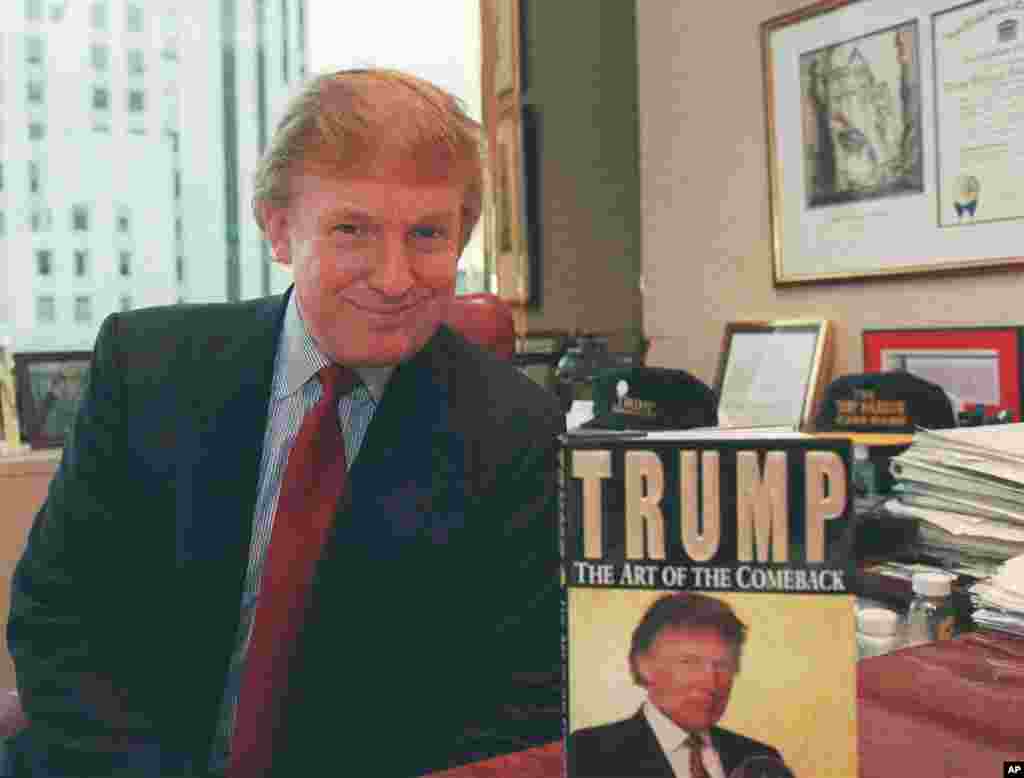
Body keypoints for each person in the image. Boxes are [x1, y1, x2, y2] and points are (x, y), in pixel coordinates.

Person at [6, 69, 563, 777]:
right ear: (277, 227)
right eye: (352, 230)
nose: (394, 277)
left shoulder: (518, 434)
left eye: (426, 234)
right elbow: (59, 624)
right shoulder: (148, 370)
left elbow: (513, 706)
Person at [568, 593, 786, 778]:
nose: (710, 682)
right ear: (643, 665)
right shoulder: (585, 754)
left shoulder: (761, 760)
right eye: (690, 662)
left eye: (723, 665)